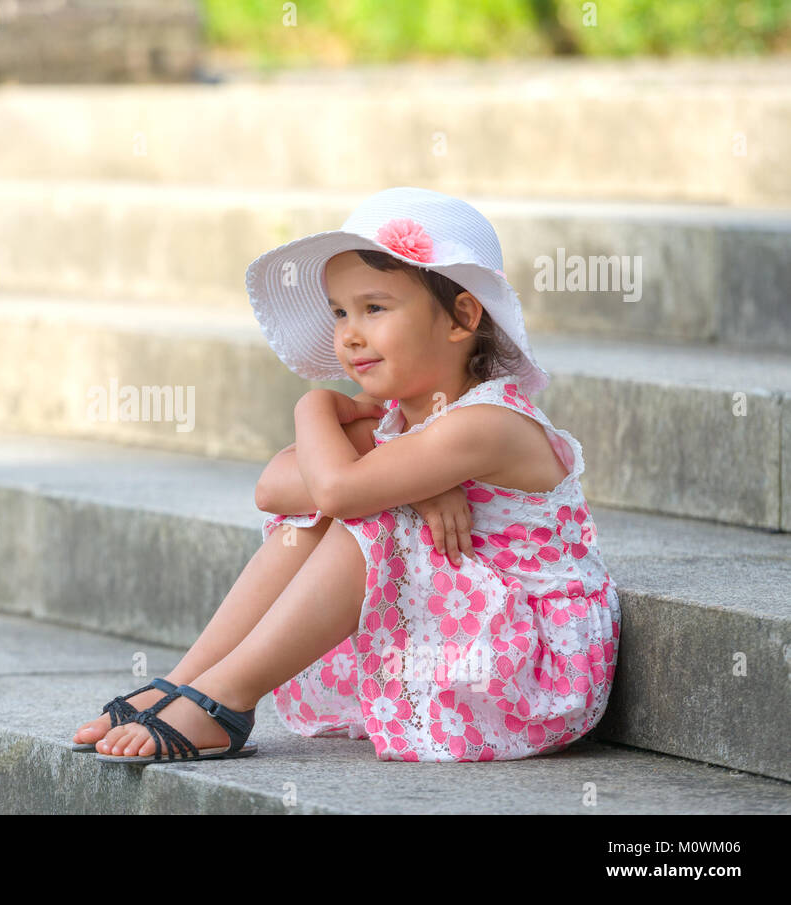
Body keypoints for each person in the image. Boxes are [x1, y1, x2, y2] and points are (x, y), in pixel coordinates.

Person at [72, 186, 621, 763]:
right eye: (339, 312)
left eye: (375, 308)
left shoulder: (484, 422)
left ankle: (224, 698)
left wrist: (313, 407)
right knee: (327, 513)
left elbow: (335, 487)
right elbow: (274, 489)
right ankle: (190, 679)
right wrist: (415, 488)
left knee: (368, 507)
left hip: (534, 666)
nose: (350, 333)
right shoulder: (400, 417)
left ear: (462, 317)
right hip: (463, 635)